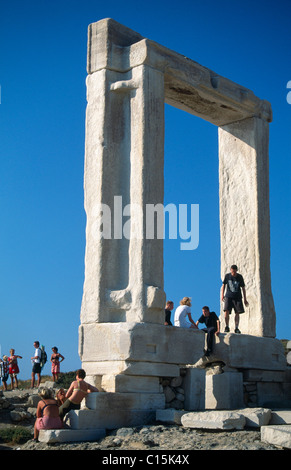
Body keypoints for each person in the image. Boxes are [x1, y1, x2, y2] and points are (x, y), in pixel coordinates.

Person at [221, 264, 249, 334]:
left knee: (237, 312)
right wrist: (222, 295)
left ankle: (236, 327)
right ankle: (227, 326)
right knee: (226, 311)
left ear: (236, 271)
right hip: (228, 296)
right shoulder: (227, 276)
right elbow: (224, 285)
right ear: (230, 270)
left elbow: (243, 288)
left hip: (237, 297)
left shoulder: (239, 277)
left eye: (234, 272)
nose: (233, 273)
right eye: (232, 271)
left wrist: (245, 299)